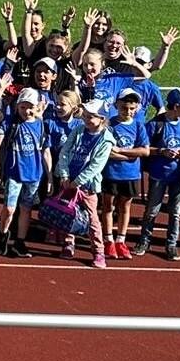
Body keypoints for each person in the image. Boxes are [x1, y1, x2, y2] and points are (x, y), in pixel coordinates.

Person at [135, 89, 180, 261]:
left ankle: (171, 244)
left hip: (179, 176)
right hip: (159, 175)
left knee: (175, 211)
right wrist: (162, 151)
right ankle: (144, 240)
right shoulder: (155, 124)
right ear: (177, 106)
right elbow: (144, 147)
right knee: (152, 210)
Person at [53, 98, 114, 267]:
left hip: (87, 187)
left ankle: (98, 251)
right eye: (85, 115)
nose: (86, 119)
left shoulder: (106, 139)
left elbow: (96, 165)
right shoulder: (79, 130)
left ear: (101, 118)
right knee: (68, 213)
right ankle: (68, 242)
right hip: (69, 181)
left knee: (92, 218)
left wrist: (78, 182)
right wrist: (64, 175)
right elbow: (65, 151)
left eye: (91, 117)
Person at [0, 86, 48, 258]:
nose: (26, 111)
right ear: (17, 107)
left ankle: (20, 242)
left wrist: (50, 175)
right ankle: (2, 235)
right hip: (15, 174)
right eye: (23, 107)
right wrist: (0, 90)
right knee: (9, 208)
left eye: (30, 107)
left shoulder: (41, 125)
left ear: (37, 107)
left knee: (26, 209)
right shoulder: (12, 123)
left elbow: (45, 151)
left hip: (34, 175)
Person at [100, 89, 150, 260]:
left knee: (125, 207)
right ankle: (108, 240)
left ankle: (121, 240)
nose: (128, 111)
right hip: (111, 173)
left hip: (130, 175)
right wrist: (129, 155)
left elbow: (144, 151)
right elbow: (106, 151)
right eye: (124, 108)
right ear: (116, 106)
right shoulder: (109, 124)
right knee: (108, 206)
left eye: (131, 108)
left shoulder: (138, 125)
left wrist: (122, 151)